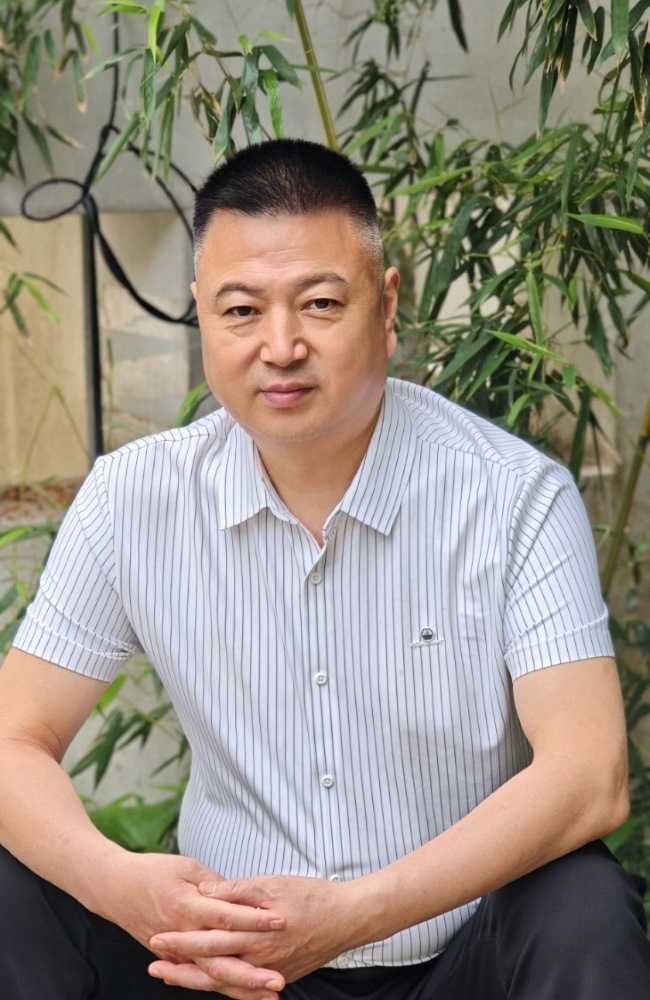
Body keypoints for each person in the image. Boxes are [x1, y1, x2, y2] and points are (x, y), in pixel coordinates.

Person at [0, 138, 648, 1000]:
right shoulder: (134, 496)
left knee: (583, 904)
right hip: (219, 967)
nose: (281, 346)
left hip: (458, 961)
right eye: (241, 309)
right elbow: (13, 740)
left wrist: (354, 913)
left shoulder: (512, 495)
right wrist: (120, 885)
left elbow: (590, 776)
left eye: (319, 304)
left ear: (387, 306)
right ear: (201, 314)